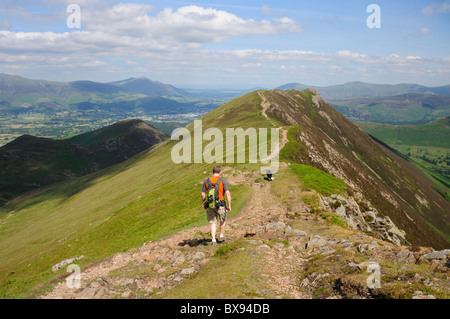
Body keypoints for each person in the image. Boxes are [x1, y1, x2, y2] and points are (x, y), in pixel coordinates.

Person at [201, 165, 231, 244]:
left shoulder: (207, 181)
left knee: (213, 222)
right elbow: (227, 193)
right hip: (221, 204)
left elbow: (202, 194)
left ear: (213, 172)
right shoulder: (222, 181)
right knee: (222, 219)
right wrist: (229, 205)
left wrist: (204, 203)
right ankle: (221, 235)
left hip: (210, 205)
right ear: (220, 172)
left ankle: (213, 239)